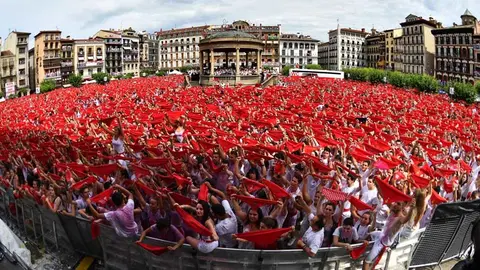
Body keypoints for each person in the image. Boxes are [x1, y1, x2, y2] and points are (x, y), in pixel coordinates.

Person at [363, 200, 414, 270]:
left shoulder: (400, 218)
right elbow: (386, 199)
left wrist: (411, 209)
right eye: (395, 202)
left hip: (382, 244)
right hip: (380, 235)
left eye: (398, 203)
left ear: (402, 208)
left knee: (367, 261)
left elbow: (406, 219)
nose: (395, 204)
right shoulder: (393, 211)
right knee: (368, 234)